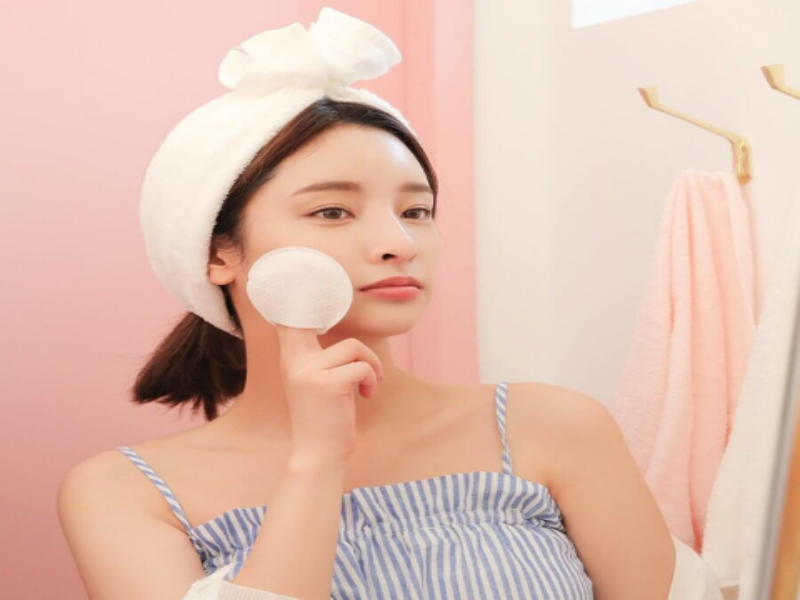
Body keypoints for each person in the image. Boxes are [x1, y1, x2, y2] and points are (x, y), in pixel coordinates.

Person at [56, 8, 676, 600]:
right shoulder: (125, 493)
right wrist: (316, 460)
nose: (399, 243)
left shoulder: (553, 427)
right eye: (333, 211)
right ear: (218, 254)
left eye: (416, 211)